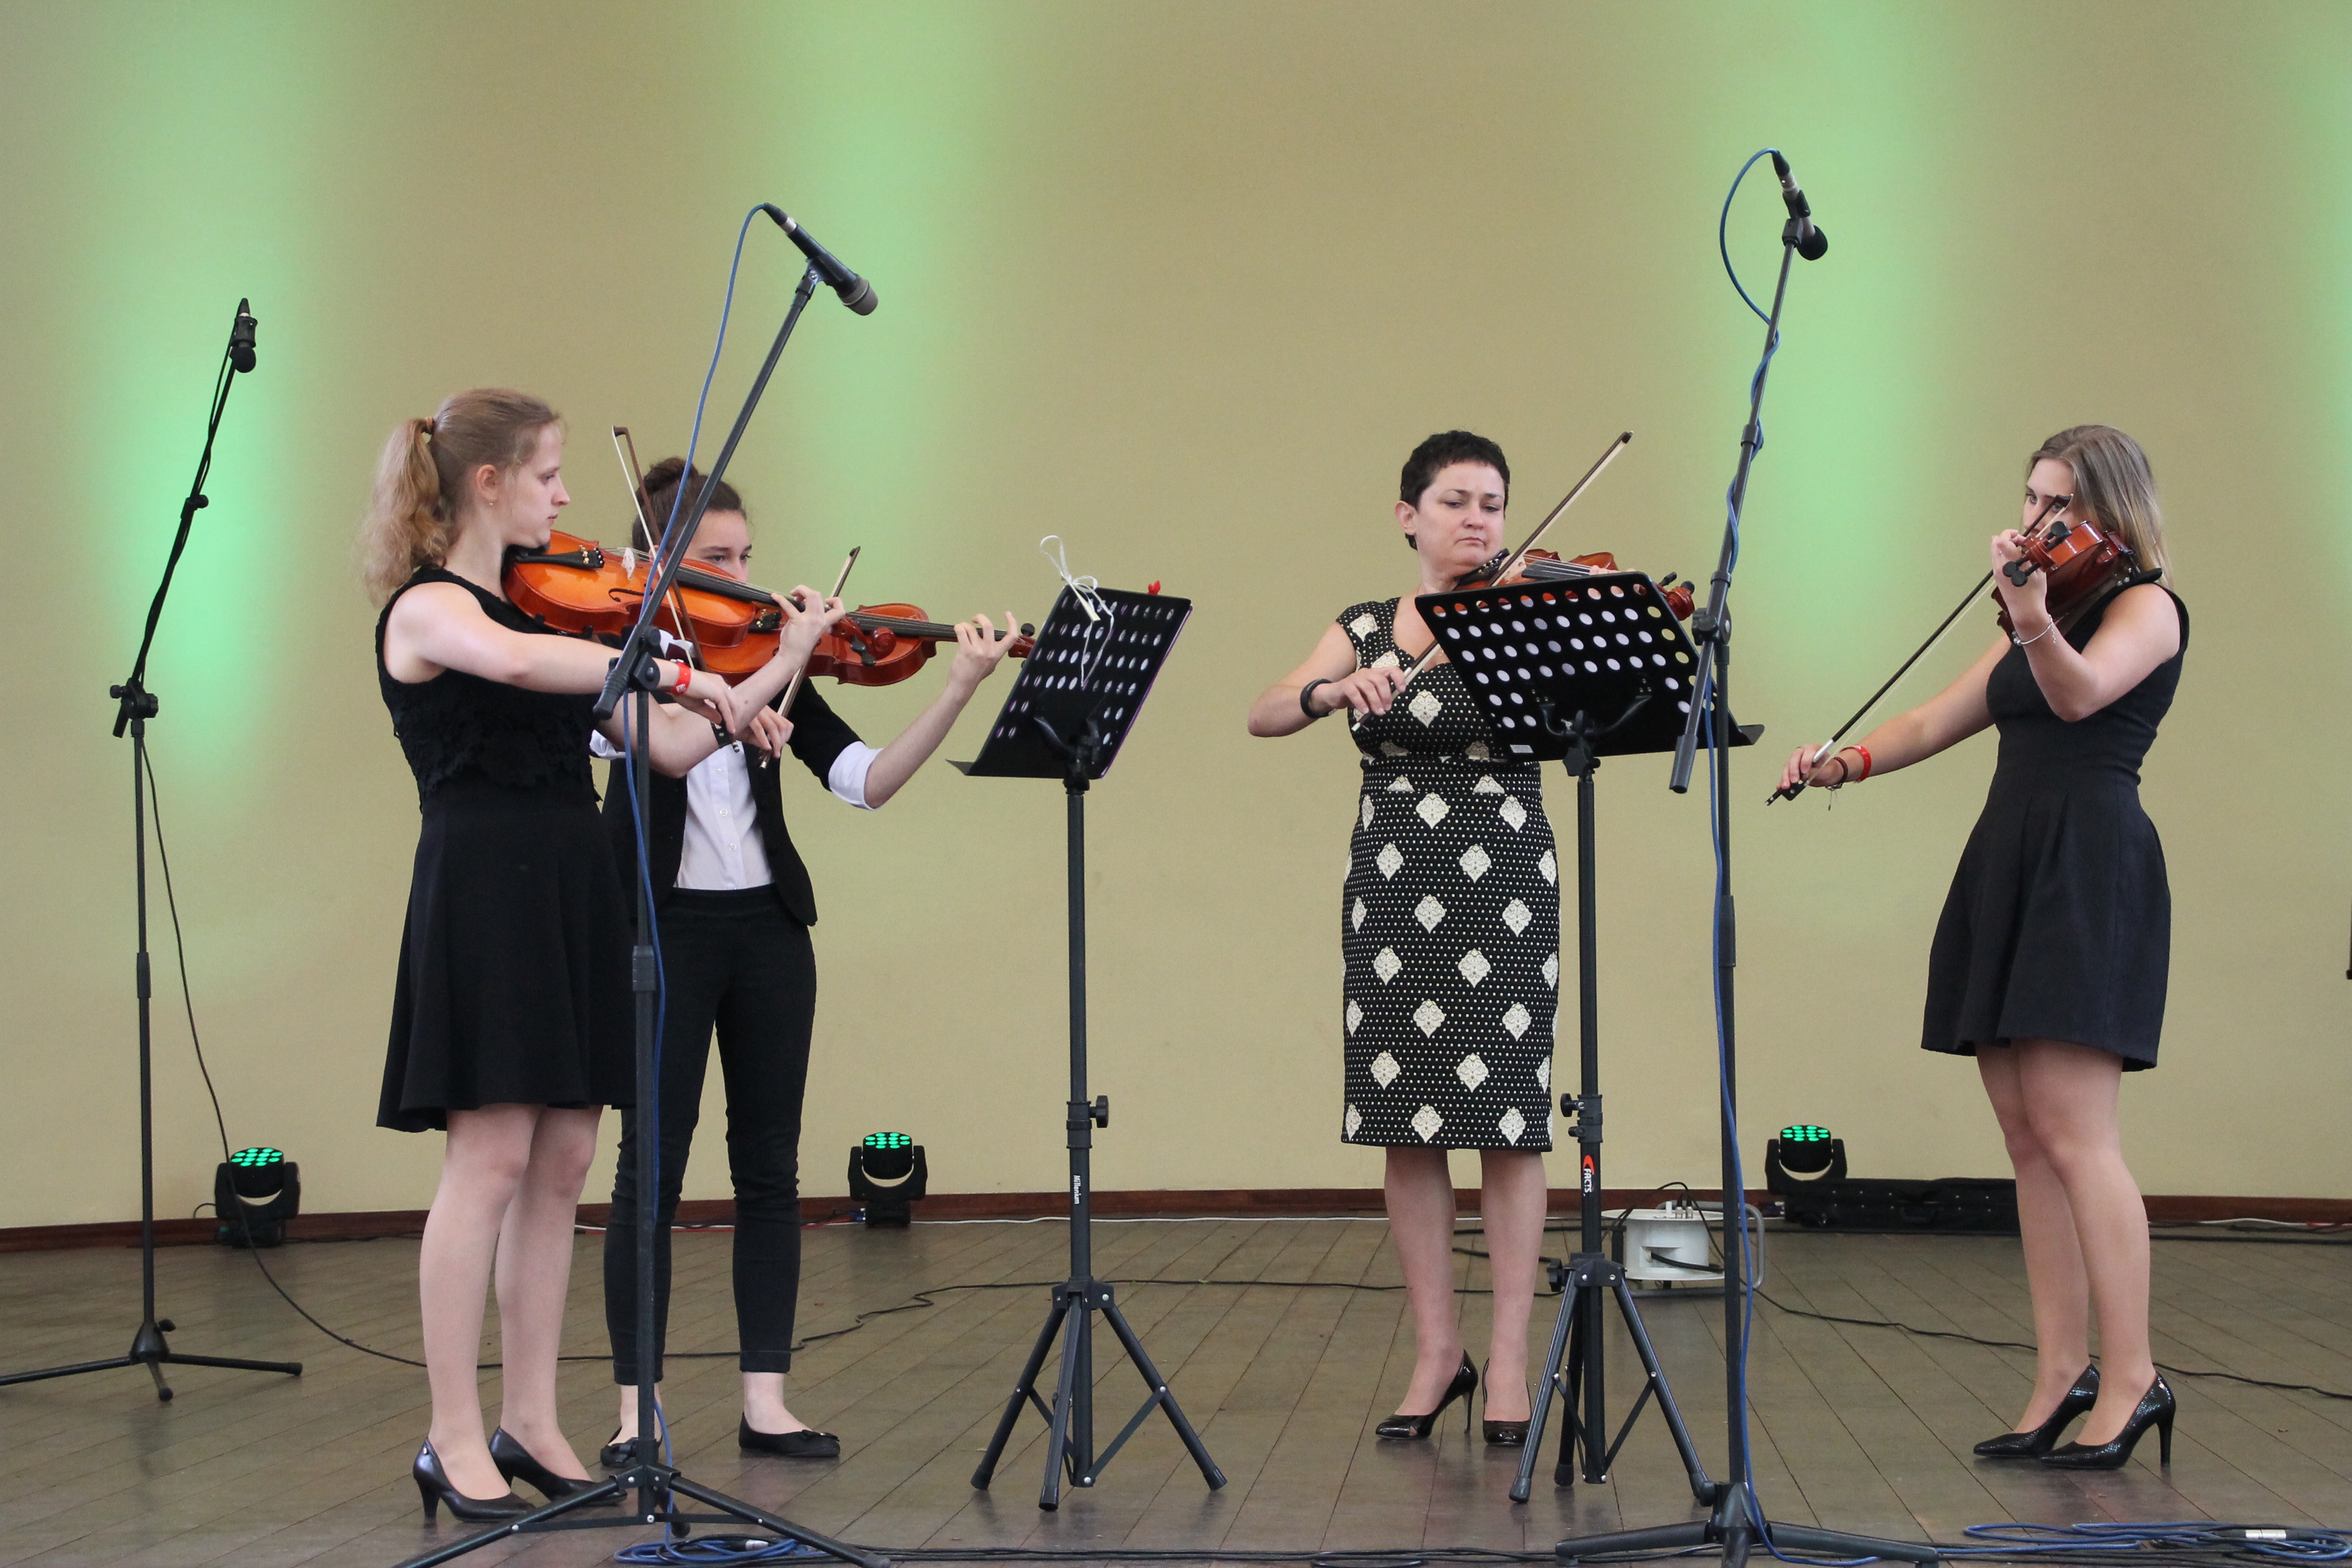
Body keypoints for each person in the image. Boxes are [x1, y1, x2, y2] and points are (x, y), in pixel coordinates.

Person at [364, 390, 774, 1523]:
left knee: (563, 1161)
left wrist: (760, 672)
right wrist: (667, 667)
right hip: (485, 893)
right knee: (489, 1158)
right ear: (488, 482)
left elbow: (670, 745)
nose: (565, 495)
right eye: (548, 474)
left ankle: (533, 1422)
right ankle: (452, 1433)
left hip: (568, 888)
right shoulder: (431, 609)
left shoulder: (555, 622)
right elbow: (516, 665)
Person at [596, 458, 1021, 1465]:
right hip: (661, 931)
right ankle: (635, 1415)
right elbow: (662, 746)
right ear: (656, 560)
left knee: (769, 1168)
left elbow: (868, 781)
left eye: (746, 556)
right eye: (716, 558)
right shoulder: (620, 657)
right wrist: (772, 668)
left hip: (768, 931)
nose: (742, 579)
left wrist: (958, 687)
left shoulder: (764, 650)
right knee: (649, 1172)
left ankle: (767, 1403)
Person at [1777, 424, 2185, 1470]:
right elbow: (1933, 721)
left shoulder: (2146, 607)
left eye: (2059, 504)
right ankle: (2060, 1373)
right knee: (2027, 1140)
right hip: (2011, 856)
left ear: (2109, 507)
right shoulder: (2039, 613)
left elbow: (2080, 696)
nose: (2036, 519)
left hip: (2087, 861)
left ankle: (2133, 1378)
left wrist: (2031, 613)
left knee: (2079, 1136)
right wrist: (1842, 761)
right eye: (2032, 498)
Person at [1247, 430, 1555, 1445]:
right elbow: (1264, 712)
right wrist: (1332, 691)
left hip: (1503, 869)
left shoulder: (1526, 610)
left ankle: (1508, 1359)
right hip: (1392, 875)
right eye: (1456, 501)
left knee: (1507, 1119)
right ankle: (1437, 1353)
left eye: (1493, 504)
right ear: (1408, 516)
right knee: (1406, 1118)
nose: (1478, 520)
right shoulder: (1367, 625)